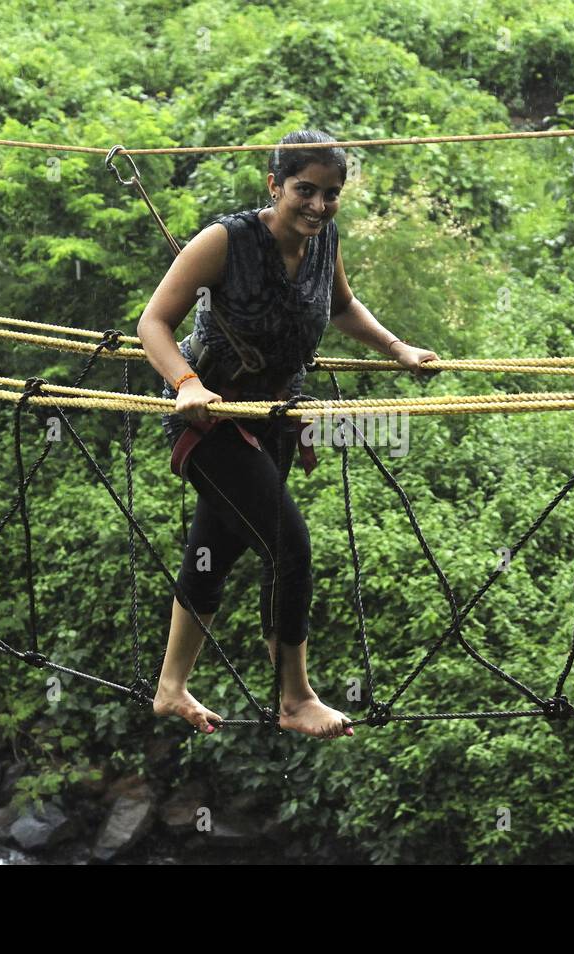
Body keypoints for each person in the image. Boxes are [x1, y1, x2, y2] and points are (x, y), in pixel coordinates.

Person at [138, 129, 439, 739]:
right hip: (212, 422)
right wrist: (187, 383)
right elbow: (154, 322)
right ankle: (294, 697)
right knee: (289, 545)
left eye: (331, 195)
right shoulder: (225, 241)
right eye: (305, 190)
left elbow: (340, 306)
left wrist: (396, 348)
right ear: (274, 185)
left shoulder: (323, 240)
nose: (319, 206)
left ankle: (170, 688)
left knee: (214, 550)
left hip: (274, 421)